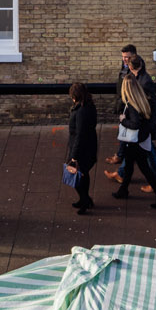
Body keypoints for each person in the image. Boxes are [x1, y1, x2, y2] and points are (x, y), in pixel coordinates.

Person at [112, 69, 156, 208]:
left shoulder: (131, 104)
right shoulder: (142, 99)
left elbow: (135, 124)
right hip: (142, 139)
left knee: (144, 169)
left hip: (134, 141)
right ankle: (123, 190)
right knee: (130, 166)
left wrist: (123, 120)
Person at [65, 83, 98, 214]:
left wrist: (74, 156)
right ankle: (85, 199)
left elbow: (80, 135)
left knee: (77, 175)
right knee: (82, 174)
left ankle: (85, 201)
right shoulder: (88, 106)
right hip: (89, 146)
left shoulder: (81, 112)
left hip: (81, 150)